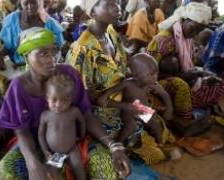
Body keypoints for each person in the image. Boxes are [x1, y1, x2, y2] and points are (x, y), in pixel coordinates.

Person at [0, 27, 130, 179]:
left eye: (54, 51)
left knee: (109, 168)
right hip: (36, 144)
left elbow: (85, 114)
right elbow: (22, 131)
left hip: (71, 140)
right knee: (7, 170)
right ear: (26, 55)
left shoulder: (68, 74)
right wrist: (32, 163)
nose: (52, 59)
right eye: (43, 53)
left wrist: (113, 146)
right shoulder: (18, 87)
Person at [67, 0, 173, 165]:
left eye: (116, 3)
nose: (117, 8)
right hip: (103, 112)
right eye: (109, 4)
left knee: (157, 124)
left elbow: (122, 64)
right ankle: (123, 146)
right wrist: (124, 106)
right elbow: (83, 97)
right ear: (93, 12)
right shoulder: (81, 49)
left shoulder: (110, 32)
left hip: (127, 99)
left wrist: (142, 73)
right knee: (150, 149)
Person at [146, 2, 224, 135]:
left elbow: (189, 66)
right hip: (155, 84)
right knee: (179, 83)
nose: (195, 34)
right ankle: (183, 120)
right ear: (184, 20)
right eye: (193, 28)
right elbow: (147, 73)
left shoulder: (186, 38)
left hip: (181, 77)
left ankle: (196, 107)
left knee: (218, 82)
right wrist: (186, 76)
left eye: (199, 31)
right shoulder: (163, 40)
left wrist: (201, 73)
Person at [97, 53, 174, 145]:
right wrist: (104, 96)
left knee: (156, 125)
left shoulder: (152, 84)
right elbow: (113, 90)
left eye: (157, 73)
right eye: (151, 74)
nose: (155, 77)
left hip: (142, 109)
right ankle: (118, 144)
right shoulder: (127, 83)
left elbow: (164, 94)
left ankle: (160, 143)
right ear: (136, 75)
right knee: (130, 126)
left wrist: (169, 109)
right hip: (129, 111)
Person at [38, 74, 86, 180]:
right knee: (50, 174)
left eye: (64, 100)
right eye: (54, 100)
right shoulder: (45, 115)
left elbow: (82, 122)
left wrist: (81, 136)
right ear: (47, 98)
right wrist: (45, 151)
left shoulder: (74, 112)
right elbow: (41, 134)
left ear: (71, 99)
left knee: (79, 169)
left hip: (71, 149)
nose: (58, 104)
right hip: (53, 152)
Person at [0, 0, 64, 69]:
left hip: (43, 69)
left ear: (40, 2)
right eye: (26, 3)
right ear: (21, 2)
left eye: (33, 2)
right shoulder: (12, 20)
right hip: (17, 67)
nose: (29, 6)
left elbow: (57, 50)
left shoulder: (50, 24)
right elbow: (8, 47)